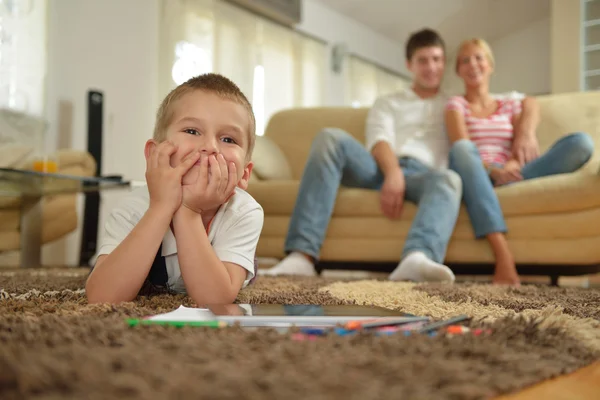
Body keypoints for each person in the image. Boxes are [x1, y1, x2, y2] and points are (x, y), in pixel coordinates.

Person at [261, 29, 539, 282]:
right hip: (379, 170)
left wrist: (525, 133)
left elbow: (522, 100)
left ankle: (417, 259)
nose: (431, 67)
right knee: (330, 137)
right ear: (410, 65)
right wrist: (393, 173)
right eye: (423, 60)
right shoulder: (389, 102)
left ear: (445, 64)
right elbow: (379, 139)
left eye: (437, 59)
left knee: (450, 181)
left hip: (427, 177)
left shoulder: (455, 104)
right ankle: (301, 256)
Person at [86, 73, 264, 304]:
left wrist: (188, 210)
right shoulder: (134, 207)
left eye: (228, 139)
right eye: (192, 131)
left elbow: (215, 300)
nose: (210, 147)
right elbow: (102, 297)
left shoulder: (243, 212)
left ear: (244, 174)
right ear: (154, 154)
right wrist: (161, 207)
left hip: (226, 264)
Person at [445, 38, 594, 286]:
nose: (473, 64)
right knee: (462, 149)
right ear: (458, 70)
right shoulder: (455, 105)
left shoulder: (508, 104)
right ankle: (504, 256)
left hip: (513, 176)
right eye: (465, 60)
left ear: (490, 65)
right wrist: (492, 172)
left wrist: (514, 162)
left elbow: (526, 114)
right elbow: (461, 146)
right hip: (477, 177)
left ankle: (503, 184)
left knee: (581, 143)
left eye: (479, 57)